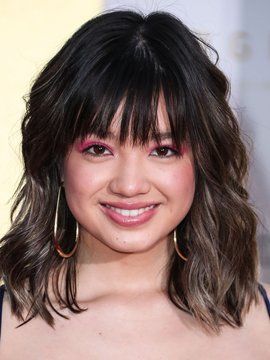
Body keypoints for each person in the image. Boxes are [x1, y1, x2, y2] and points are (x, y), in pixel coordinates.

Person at [0, 8, 269, 359]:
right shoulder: (9, 324)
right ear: (57, 160)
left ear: (203, 161)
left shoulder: (261, 319)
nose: (129, 185)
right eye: (99, 149)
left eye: (163, 150)